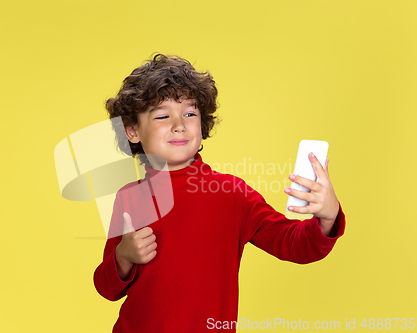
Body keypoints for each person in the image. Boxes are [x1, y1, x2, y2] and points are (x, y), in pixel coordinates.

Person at [93, 53, 346, 332]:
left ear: (202, 123)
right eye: (163, 116)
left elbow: (296, 245)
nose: (179, 124)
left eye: (190, 113)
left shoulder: (232, 194)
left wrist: (328, 216)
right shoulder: (128, 198)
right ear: (132, 131)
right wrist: (122, 257)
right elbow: (107, 289)